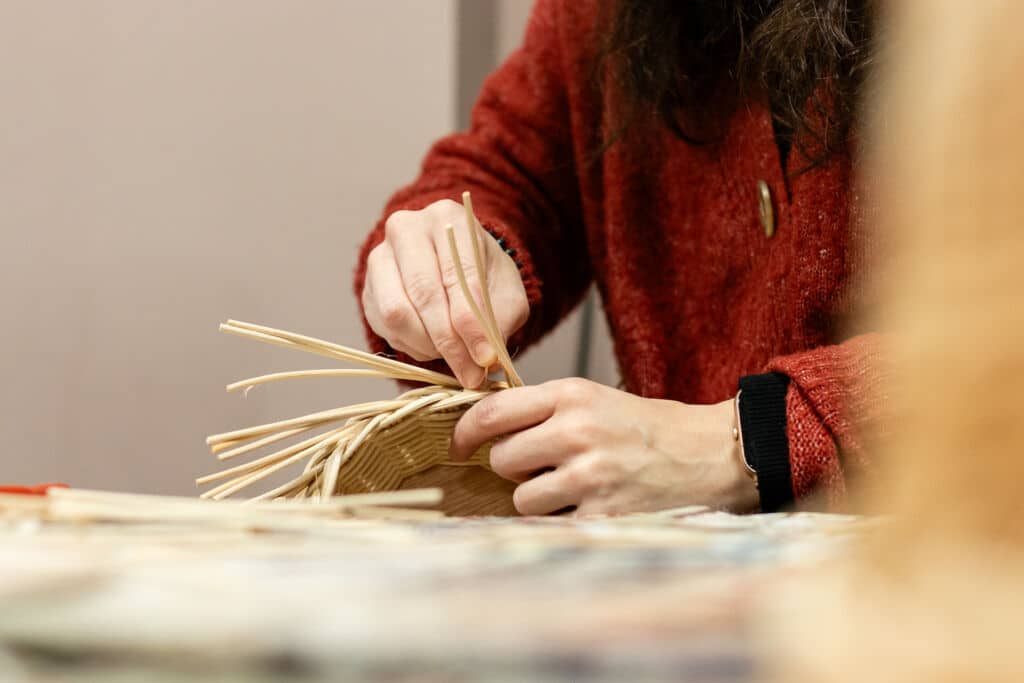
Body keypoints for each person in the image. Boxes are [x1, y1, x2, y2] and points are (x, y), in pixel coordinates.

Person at [354, 0, 881, 516]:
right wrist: (447, 266)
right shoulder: (594, 15)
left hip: (910, 559)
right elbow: (505, 170)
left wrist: (749, 441)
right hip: (677, 564)